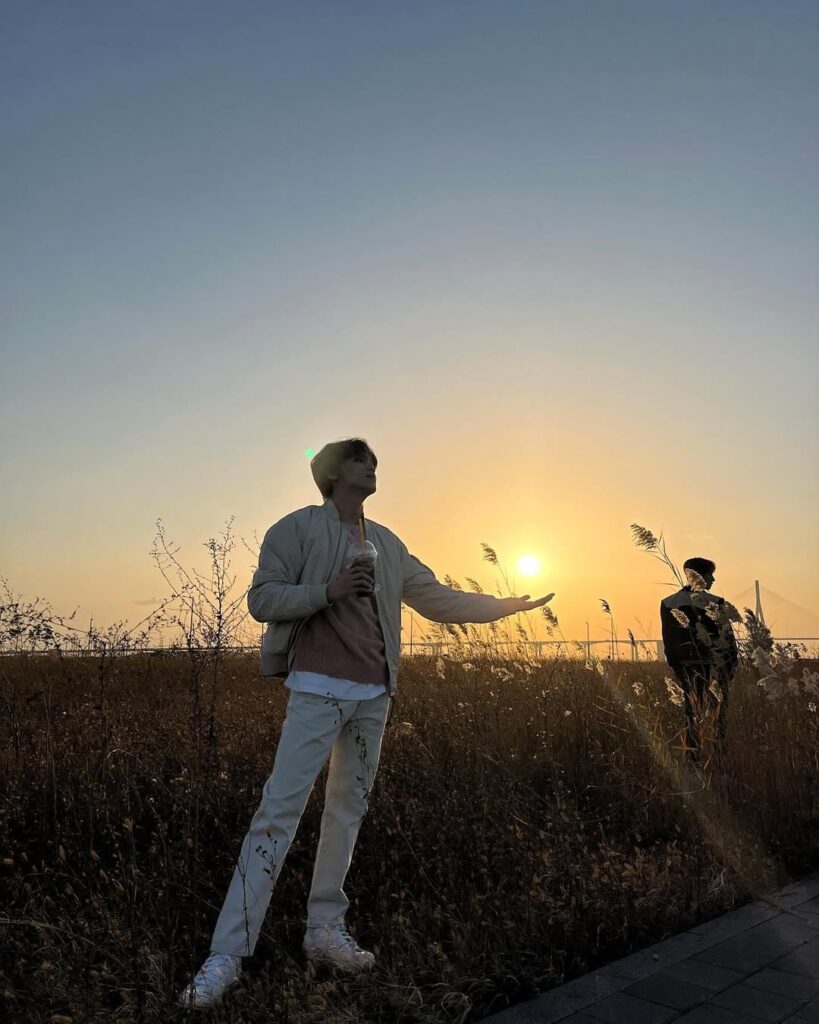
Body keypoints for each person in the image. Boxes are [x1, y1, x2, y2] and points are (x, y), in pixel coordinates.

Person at [179, 437, 553, 1009]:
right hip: (316, 688)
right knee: (278, 813)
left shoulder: (387, 542)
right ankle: (226, 955)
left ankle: (324, 930)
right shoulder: (296, 528)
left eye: (375, 460)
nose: (371, 466)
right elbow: (261, 598)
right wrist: (326, 592)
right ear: (333, 472)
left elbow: (436, 599)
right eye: (360, 459)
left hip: (374, 693)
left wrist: (505, 606)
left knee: (347, 811)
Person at [660, 557, 738, 765]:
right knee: (718, 712)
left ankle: (693, 756)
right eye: (709, 574)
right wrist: (730, 667)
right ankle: (718, 755)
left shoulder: (669, 603)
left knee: (692, 712)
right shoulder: (716, 602)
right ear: (698, 576)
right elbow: (728, 639)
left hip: (687, 668)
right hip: (715, 667)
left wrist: (677, 667)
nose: (713, 579)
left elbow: (669, 641)